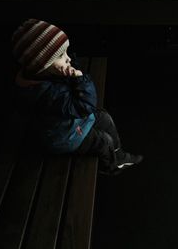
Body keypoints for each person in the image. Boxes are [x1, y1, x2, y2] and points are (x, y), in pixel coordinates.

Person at [10, 18, 143, 175]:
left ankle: (119, 155)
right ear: (41, 64)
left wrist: (69, 68)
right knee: (103, 141)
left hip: (67, 121)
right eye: (60, 56)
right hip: (62, 136)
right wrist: (79, 77)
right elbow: (85, 106)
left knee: (105, 118)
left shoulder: (42, 75)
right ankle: (111, 167)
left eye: (66, 52)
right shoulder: (46, 95)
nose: (68, 59)